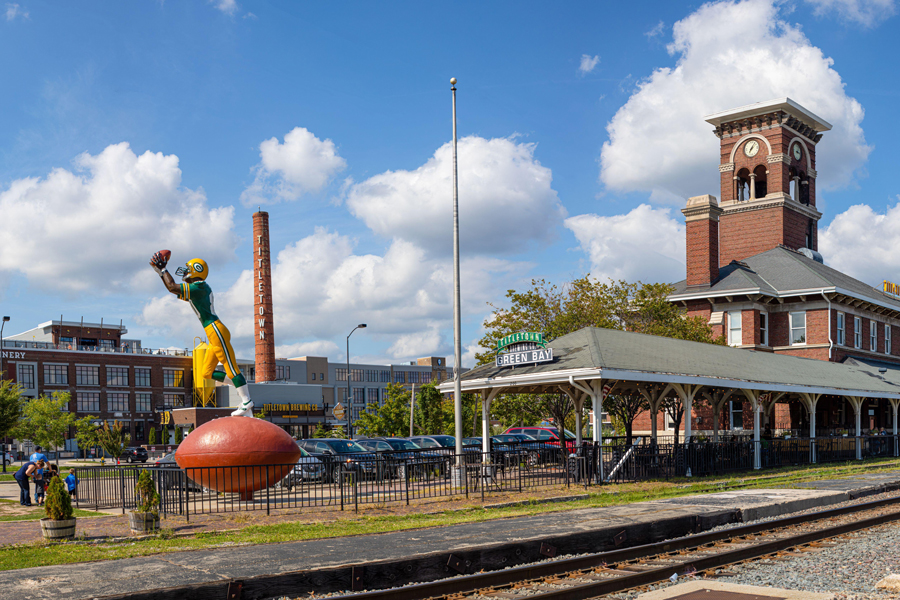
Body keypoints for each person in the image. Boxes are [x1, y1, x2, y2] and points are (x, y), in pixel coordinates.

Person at [150, 252, 253, 417]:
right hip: (212, 332)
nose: (185, 272)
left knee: (231, 367)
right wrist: (160, 273)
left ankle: (247, 401)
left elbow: (172, 287)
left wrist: (162, 270)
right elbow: (173, 289)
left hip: (215, 329)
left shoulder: (199, 287)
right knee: (206, 372)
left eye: (188, 270)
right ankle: (239, 385)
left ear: (196, 271)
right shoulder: (199, 288)